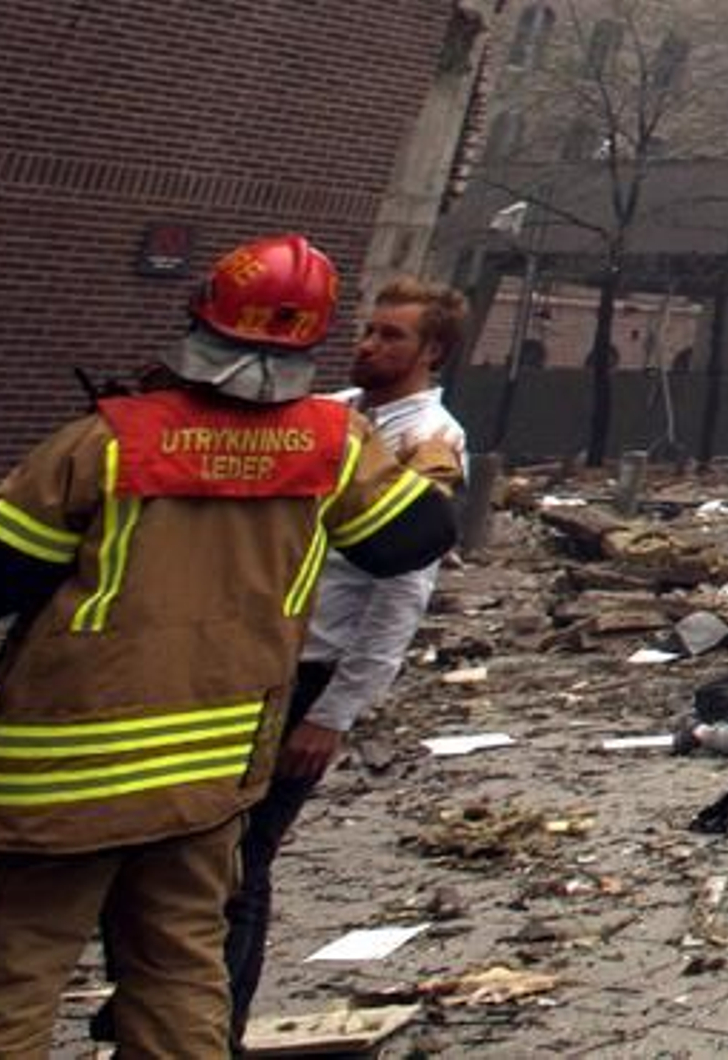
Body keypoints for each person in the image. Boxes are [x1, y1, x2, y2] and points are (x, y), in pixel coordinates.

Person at [0, 234, 458, 1057]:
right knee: (178, 976)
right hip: (211, 769)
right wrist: (425, 471)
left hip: (60, 778)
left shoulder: (106, 443)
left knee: (6, 982)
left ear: (200, 315)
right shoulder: (332, 442)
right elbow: (414, 538)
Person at [223, 277, 469, 1042]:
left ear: (432, 352)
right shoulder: (327, 417)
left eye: (393, 336)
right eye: (369, 330)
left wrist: (336, 711)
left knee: (245, 855)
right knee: (207, 845)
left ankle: (215, 1017)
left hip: (314, 669)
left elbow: (403, 589)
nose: (370, 344)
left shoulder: (432, 440)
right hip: (251, 653)